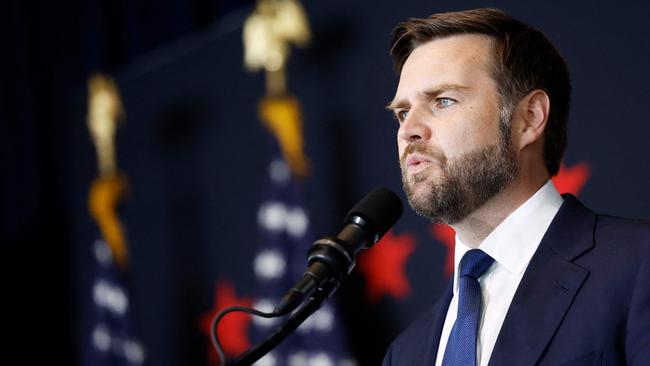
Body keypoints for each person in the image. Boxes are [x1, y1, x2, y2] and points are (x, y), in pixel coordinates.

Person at [382, 8, 650, 366]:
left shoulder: (638, 267)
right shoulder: (404, 353)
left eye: (442, 101)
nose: (408, 130)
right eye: (402, 112)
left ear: (530, 118)